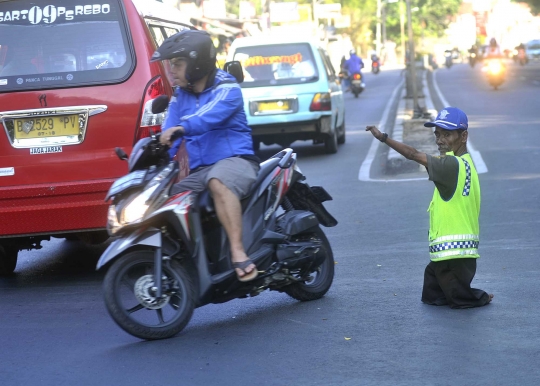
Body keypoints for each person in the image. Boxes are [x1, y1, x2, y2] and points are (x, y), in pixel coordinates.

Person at [152, 30, 260, 282]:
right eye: (170, 65)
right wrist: (156, 151)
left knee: (217, 181)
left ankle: (237, 251)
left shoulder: (227, 88)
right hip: (202, 170)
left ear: (197, 63)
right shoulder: (180, 96)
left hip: (236, 161)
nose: (171, 71)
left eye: (177, 64)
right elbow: (169, 128)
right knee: (166, 197)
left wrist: (181, 129)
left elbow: (207, 116)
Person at [365, 107, 494, 309]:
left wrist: (383, 138)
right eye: (437, 134)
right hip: (454, 254)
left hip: (454, 255)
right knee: (431, 294)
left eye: (447, 134)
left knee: (459, 300)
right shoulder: (465, 162)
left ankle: (479, 296)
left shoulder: (450, 165)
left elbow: (413, 154)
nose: (440, 140)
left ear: (464, 136)